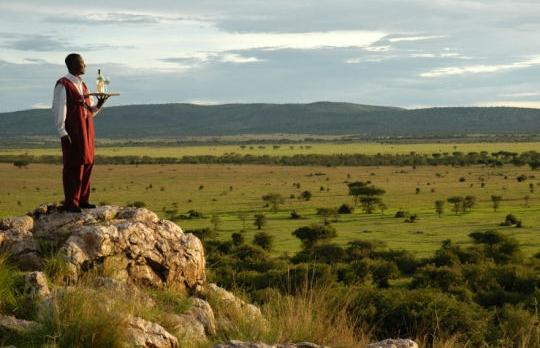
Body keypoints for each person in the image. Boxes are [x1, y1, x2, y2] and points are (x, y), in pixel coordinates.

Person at [52, 53, 109, 212]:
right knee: (73, 164)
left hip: (87, 128)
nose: (85, 66)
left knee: (88, 162)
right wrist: (62, 131)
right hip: (73, 129)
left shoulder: (83, 85)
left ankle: (83, 199)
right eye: (82, 63)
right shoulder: (63, 84)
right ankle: (71, 202)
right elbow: (59, 108)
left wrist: (99, 104)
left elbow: (90, 111)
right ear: (72, 64)